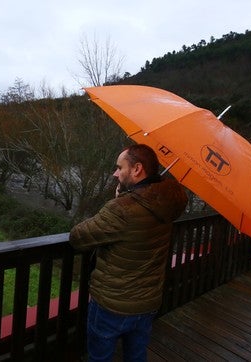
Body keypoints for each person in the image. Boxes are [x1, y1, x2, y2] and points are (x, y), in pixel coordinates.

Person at [69, 144, 187, 362]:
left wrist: (118, 201)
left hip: (113, 304)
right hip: (147, 303)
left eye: (119, 167)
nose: (115, 173)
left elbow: (78, 237)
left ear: (137, 169)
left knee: (100, 357)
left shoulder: (123, 209)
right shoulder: (168, 203)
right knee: (136, 356)